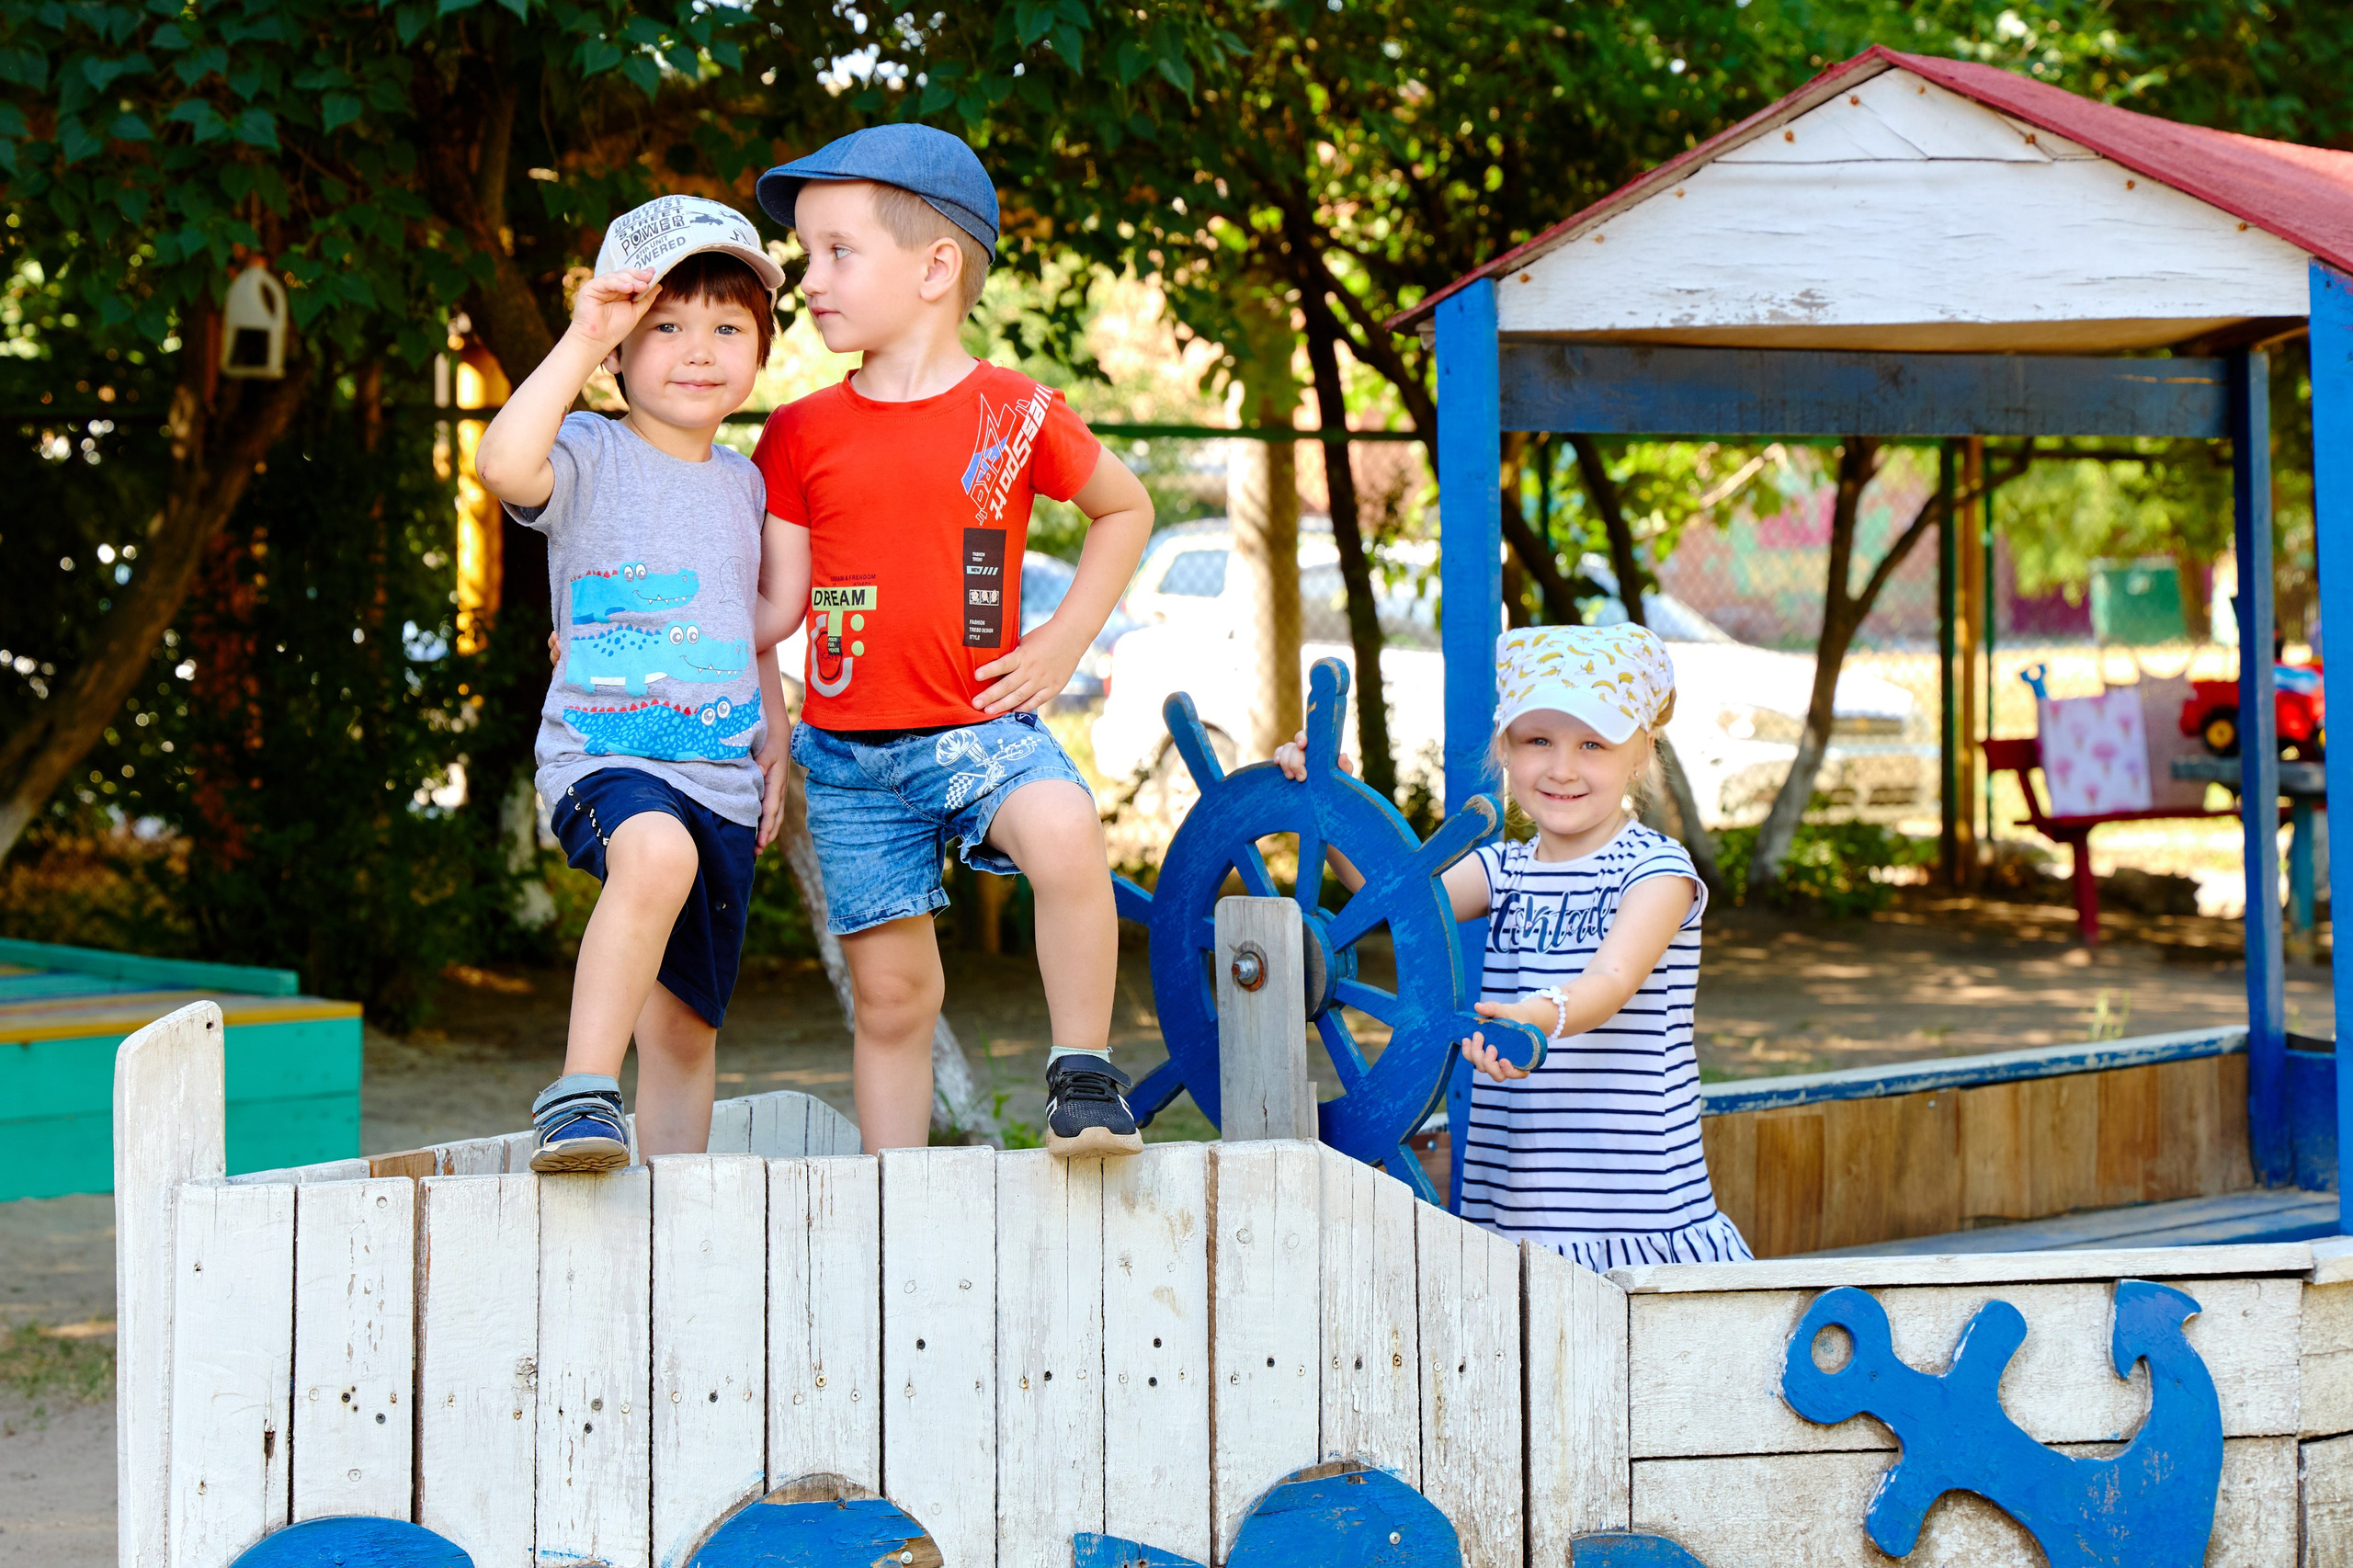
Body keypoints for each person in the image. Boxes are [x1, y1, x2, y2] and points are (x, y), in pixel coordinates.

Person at [749, 125, 1154, 1157]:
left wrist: (1064, 640)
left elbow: (1126, 509)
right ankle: (895, 1193)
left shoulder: (1013, 413)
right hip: (849, 760)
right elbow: (774, 609)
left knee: (1065, 828)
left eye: (839, 251)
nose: (811, 278)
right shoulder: (796, 432)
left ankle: (1082, 1077)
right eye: (805, 254)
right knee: (891, 996)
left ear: (936, 268)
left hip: (978, 725)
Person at [473, 194, 798, 1174]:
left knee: (689, 1027)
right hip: (608, 756)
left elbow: (743, 623)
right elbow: (501, 463)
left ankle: (671, 1216)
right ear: (620, 349)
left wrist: (774, 730)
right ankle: (578, 1094)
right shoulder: (588, 451)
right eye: (665, 325)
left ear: (760, 351)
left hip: (724, 777)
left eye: (726, 327)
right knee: (653, 856)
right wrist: (580, 336)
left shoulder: (745, 482)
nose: (698, 350)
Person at [1278, 624, 1750, 1268]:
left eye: (1593, 743)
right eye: (1538, 741)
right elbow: (1389, 896)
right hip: (1517, 1211)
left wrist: (1537, 1015)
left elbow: (1609, 982)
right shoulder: (1505, 870)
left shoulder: (1656, 873)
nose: (1562, 768)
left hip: (1634, 1213)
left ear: (1640, 753)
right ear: (1506, 748)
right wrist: (1333, 799)